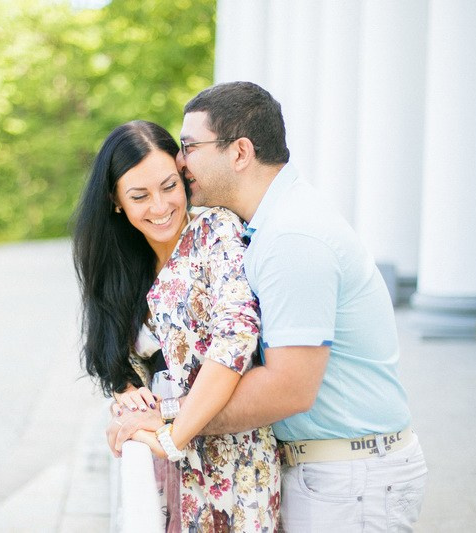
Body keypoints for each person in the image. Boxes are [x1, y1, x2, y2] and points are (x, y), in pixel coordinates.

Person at [108, 82, 428, 532]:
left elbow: (288, 388)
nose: (180, 162)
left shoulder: (292, 237)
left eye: (190, 146)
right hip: (332, 473)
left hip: (350, 481)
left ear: (239, 152)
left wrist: (168, 416)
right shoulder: (269, 227)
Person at [72, 120, 280, 532]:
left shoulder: (215, 230)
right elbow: (117, 357)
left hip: (232, 458)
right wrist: (130, 393)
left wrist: (170, 433)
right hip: (160, 462)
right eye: (139, 196)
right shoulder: (120, 265)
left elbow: (236, 336)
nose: (161, 206)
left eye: (170, 186)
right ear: (116, 200)